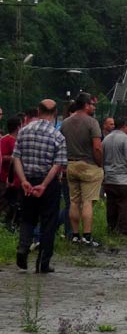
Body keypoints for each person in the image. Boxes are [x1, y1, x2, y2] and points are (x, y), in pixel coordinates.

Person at [13, 100, 66, 273]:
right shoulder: (57, 136)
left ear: (38, 110)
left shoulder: (23, 131)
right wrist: (43, 185)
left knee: (27, 217)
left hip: (27, 180)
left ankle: (23, 247)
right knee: (48, 221)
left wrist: (23, 181)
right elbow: (57, 165)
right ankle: (43, 261)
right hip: (48, 184)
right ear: (55, 112)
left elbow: (16, 158)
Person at [60, 92, 103, 247]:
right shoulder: (92, 123)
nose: (94, 107)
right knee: (87, 202)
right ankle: (87, 236)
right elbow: (97, 147)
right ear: (86, 105)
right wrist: (100, 164)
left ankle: (74, 235)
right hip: (89, 165)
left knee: (73, 202)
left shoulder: (65, 123)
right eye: (92, 104)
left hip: (71, 165)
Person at [103, 117, 127, 235]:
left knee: (111, 206)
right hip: (124, 179)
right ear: (124, 126)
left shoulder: (106, 139)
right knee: (125, 206)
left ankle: (111, 228)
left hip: (109, 178)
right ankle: (122, 231)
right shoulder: (126, 139)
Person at [0, 116, 21, 230]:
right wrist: (14, 157)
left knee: (14, 203)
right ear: (18, 127)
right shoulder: (5, 140)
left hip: (16, 178)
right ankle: (5, 224)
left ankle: (12, 223)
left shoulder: (18, 140)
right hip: (5, 176)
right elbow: (2, 157)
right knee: (5, 202)